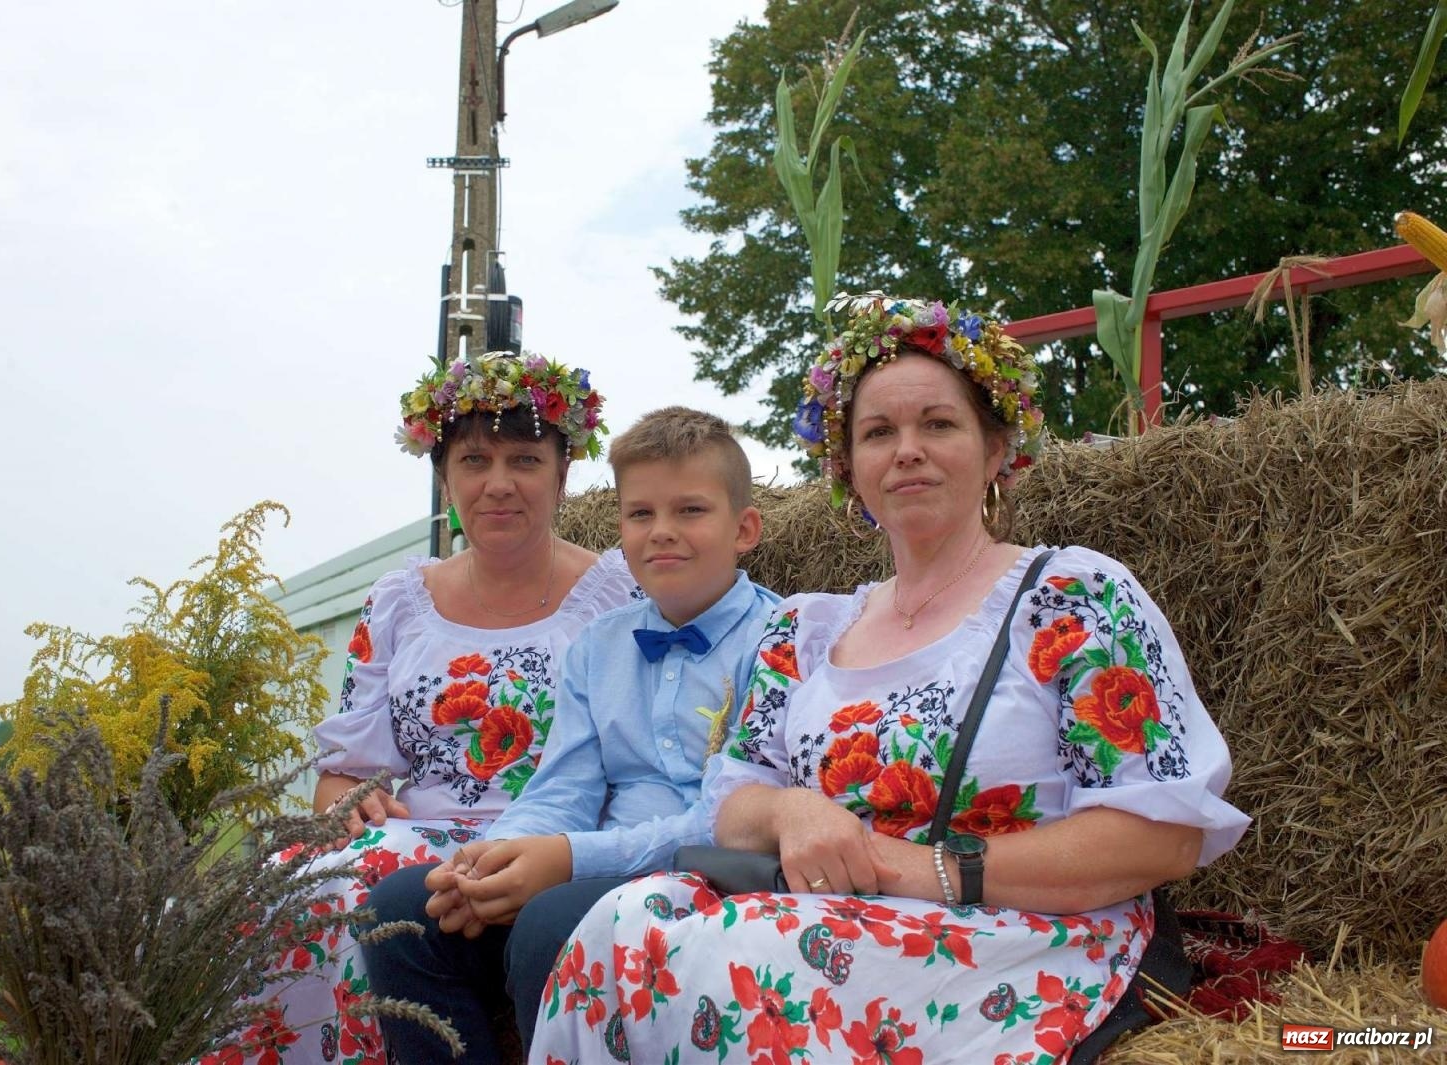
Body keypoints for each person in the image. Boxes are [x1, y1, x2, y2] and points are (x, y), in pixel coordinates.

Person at [532, 293, 1251, 1065]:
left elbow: (1165, 835)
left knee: (758, 952)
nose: (907, 449)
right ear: (848, 469)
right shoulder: (806, 631)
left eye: (937, 424)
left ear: (997, 446)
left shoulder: (1068, 598)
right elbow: (729, 805)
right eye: (878, 432)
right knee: (620, 922)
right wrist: (792, 808)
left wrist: (923, 868)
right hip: (829, 918)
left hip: (1022, 933)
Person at [205, 351, 634, 1065]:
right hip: (415, 838)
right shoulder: (399, 601)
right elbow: (345, 773)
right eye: (474, 459)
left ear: (564, 473)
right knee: (293, 878)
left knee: (374, 883)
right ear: (445, 475)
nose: (498, 484)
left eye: (525, 459)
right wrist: (344, 804)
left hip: (555, 848)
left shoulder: (621, 595)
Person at [360, 406, 781, 1063]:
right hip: (601, 870)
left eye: (690, 511)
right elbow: (563, 788)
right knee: (403, 909)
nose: (662, 532)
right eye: (641, 514)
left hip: (717, 872)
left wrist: (569, 859)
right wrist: (488, 860)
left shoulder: (783, 637)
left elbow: (734, 818)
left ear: (745, 527)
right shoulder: (598, 645)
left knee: (554, 923)